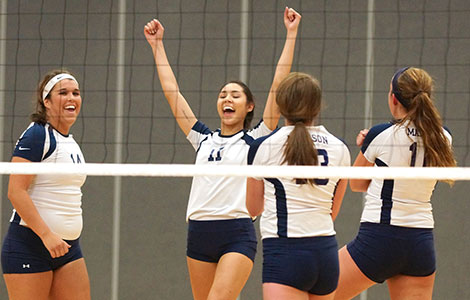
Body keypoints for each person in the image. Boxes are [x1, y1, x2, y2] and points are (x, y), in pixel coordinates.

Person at [144, 7, 301, 300]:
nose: (227, 98)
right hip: (199, 233)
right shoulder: (201, 138)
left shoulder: (256, 139)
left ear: (249, 106)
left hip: (236, 233)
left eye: (235, 95)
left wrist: (291, 34)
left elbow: (279, 85)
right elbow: (172, 93)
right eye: (222, 95)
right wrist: (157, 46)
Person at [334, 67, 457, 300]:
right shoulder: (444, 137)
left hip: (380, 238)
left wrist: (369, 146)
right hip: (420, 243)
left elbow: (357, 184)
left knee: (316, 295)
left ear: (393, 98)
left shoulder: (381, 134)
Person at [246, 72, 351, 300]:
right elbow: (332, 211)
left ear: (281, 105)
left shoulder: (263, 147)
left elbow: (253, 208)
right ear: (317, 106)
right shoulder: (340, 149)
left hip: (285, 253)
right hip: (325, 253)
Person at [1, 70, 90, 300]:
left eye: (76, 93)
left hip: (68, 249)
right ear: (46, 101)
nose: (72, 98)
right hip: (30, 246)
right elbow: (15, 191)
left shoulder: (70, 142)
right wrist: (47, 235)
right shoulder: (37, 135)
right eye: (63, 93)